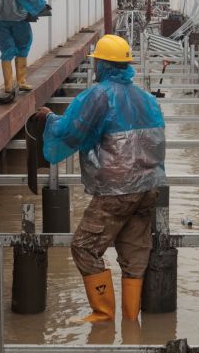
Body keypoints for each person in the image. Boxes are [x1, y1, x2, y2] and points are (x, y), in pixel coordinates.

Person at [36, 34, 165, 323]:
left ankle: (104, 314)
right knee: (134, 254)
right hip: (149, 188)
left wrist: (48, 119)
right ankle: (132, 324)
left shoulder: (99, 95)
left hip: (118, 191)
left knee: (84, 246)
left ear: (103, 65)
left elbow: (71, 131)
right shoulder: (145, 98)